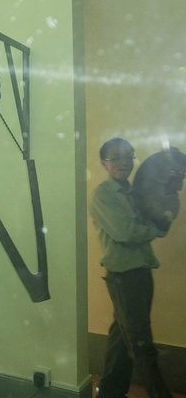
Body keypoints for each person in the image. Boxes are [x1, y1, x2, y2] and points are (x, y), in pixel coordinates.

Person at [90, 137, 173, 398]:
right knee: (140, 341)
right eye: (116, 158)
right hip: (123, 277)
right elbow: (125, 232)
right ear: (104, 163)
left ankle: (110, 392)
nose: (124, 162)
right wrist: (155, 229)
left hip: (141, 270)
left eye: (128, 156)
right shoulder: (104, 195)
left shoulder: (135, 192)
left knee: (121, 336)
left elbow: (155, 217)